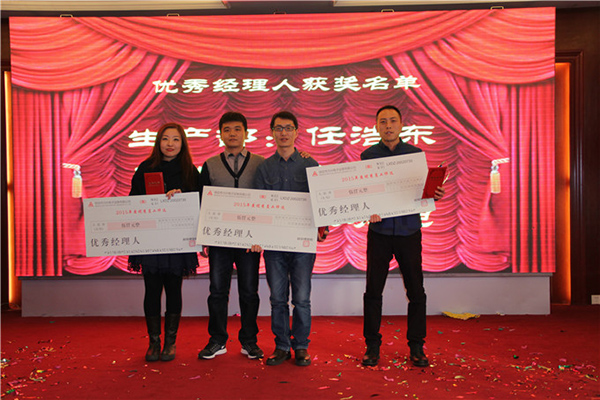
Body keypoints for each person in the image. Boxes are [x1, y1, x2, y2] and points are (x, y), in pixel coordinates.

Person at [360, 105, 445, 368]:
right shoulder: (368, 156)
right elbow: (363, 192)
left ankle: (417, 346)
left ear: (401, 125)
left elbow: (421, 193)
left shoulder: (414, 155)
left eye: (393, 121)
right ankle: (372, 346)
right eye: (383, 121)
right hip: (380, 232)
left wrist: (434, 194)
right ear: (376, 126)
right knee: (373, 291)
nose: (388, 126)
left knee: (416, 290)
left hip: (409, 231)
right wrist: (367, 207)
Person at [254, 111, 327, 367]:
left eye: (288, 128)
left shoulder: (310, 165)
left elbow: (321, 201)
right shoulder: (264, 168)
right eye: (278, 128)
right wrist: (257, 235)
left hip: (302, 244)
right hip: (274, 245)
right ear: (272, 133)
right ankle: (282, 346)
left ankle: (301, 346)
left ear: (296, 131)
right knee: (277, 299)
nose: (283, 132)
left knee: (302, 299)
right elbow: (258, 205)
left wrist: (323, 229)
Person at [128, 122, 201, 362]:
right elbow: (132, 200)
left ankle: (170, 342)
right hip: (151, 240)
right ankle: (153, 342)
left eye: (176, 139)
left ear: (183, 144)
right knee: (151, 291)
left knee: (173, 290)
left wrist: (181, 199)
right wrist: (153, 202)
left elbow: (199, 203)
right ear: (158, 142)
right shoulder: (145, 168)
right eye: (165, 139)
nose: (170, 144)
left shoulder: (190, 171)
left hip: (177, 243)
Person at [197, 112, 265, 361]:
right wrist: (203, 237)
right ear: (221, 134)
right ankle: (217, 340)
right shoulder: (210, 164)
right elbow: (202, 201)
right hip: (219, 240)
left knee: (249, 292)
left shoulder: (260, 163)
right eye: (227, 130)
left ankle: (249, 341)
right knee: (217, 291)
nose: (232, 134)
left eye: (237, 129)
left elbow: (268, 200)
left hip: (249, 240)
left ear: (246, 133)